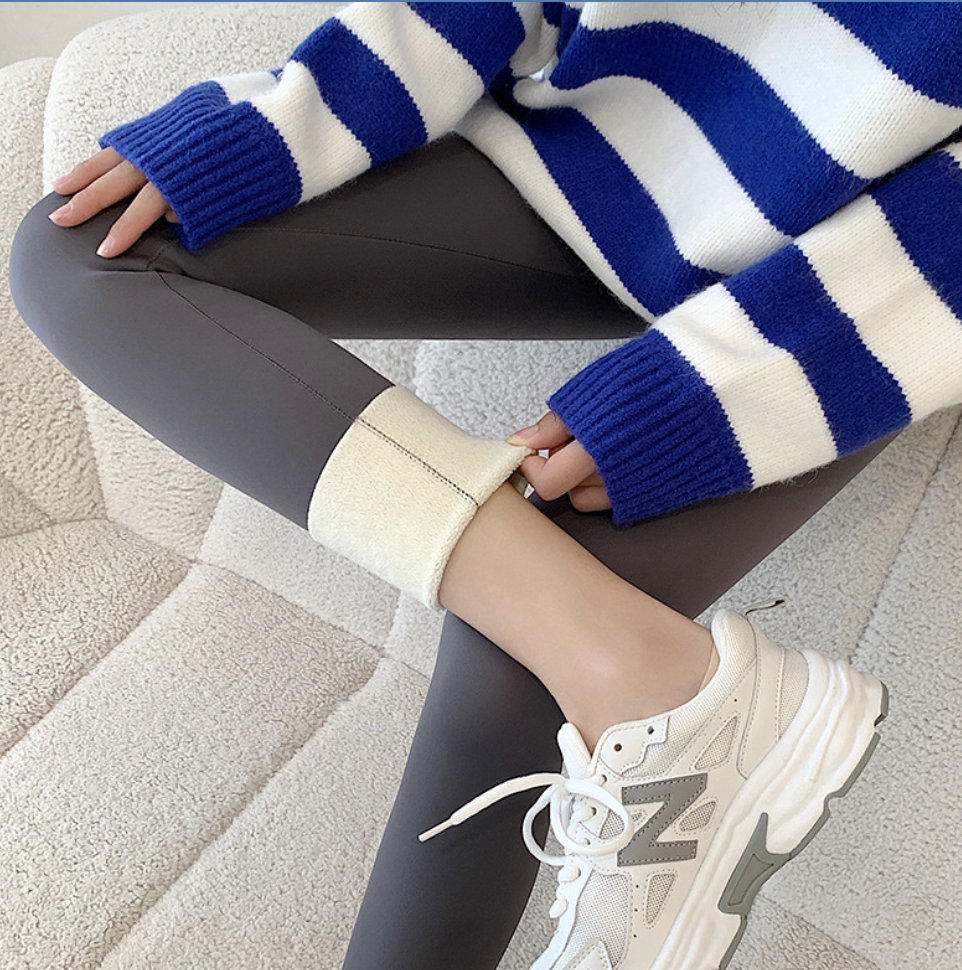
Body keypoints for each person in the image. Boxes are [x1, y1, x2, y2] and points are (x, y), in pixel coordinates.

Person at [13, 1, 962, 967]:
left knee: (520, 636)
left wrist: (725, 387)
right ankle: (669, 689)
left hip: (860, 267)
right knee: (80, 250)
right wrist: (287, 117)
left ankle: (657, 692)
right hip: (586, 138)